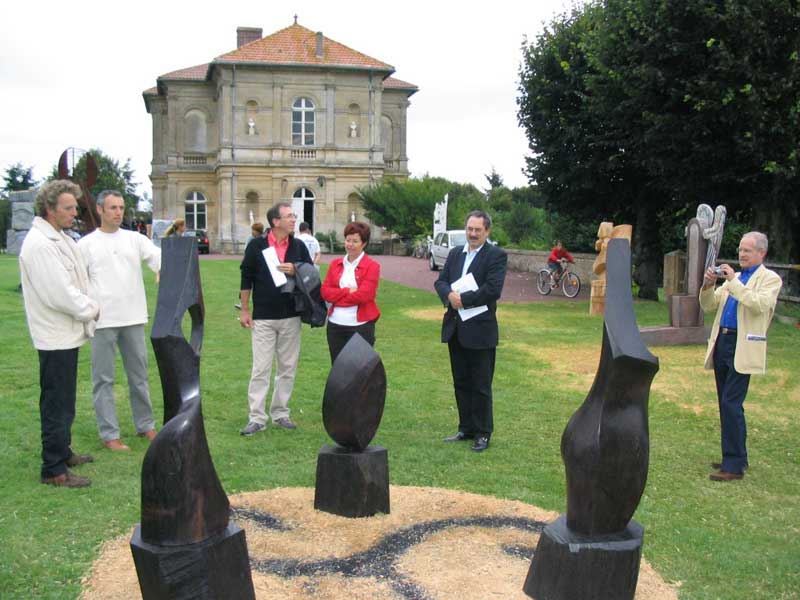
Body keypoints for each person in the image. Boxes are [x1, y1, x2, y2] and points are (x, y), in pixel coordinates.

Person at [19, 180, 101, 487]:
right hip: (54, 335)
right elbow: (60, 293)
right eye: (68, 208)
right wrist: (91, 309)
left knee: (64, 399)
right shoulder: (40, 244)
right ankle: (53, 468)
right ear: (50, 210)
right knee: (56, 401)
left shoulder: (59, 238)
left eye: (75, 207)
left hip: (64, 333)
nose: (75, 212)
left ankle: (62, 451)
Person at [78, 190, 161, 451]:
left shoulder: (135, 239)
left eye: (121, 207)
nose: (118, 212)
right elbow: (77, 282)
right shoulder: (86, 244)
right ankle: (109, 434)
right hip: (102, 320)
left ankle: (145, 425)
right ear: (100, 210)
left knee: (139, 376)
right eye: (113, 207)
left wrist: (162, 270)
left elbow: (158, 258)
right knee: (103, 379)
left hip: (133, 316)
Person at [700, 231, 782, 482]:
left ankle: (733, 466)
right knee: (726, 402)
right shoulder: (734, 279)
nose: (742, 254)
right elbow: (709, 305)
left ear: (761, 253)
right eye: (740, 250)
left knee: (731, 403)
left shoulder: (770, 279)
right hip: (723, 342)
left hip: (743, 345)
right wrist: (708, 285)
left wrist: (734, 281)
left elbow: (758, 304)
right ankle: (736, 457)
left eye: (747, 250)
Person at [434, 210, 507, 452]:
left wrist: (463, 299)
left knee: (481, 384)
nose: (472, 234)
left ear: (487, 231)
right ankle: (465, 427)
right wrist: (449, 296)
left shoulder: (496, 256)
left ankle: (483, 432)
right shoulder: (455, 254)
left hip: (480, 330)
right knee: (461, 382)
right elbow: (440, 281)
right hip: (456, 328)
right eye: (469, 229)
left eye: (477, 230)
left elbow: (493, 289)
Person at [238, 202, 312, 435]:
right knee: (261, 368)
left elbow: (311, 273)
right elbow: (246, 278)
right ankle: (257, 417)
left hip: (291, 316)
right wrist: (245, 309)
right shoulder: (257, 246)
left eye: (294, 216)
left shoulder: (298, 246)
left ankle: (280, 413)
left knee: (287, 368)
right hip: (263, 317)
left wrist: (297, 269)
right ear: (275, 222)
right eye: (289, 216)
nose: (294, 220)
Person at [320, 221, 380, 362]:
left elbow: (365, 295)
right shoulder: (335, 264)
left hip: (361, 326)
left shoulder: (372, 266)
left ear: (364, 244)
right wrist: (347, 292)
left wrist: (337, 297)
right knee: (338, 370)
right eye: (347, 240)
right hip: (335, 325)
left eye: (355, 241)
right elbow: (325, 292)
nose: (350, 244)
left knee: (360, 370)